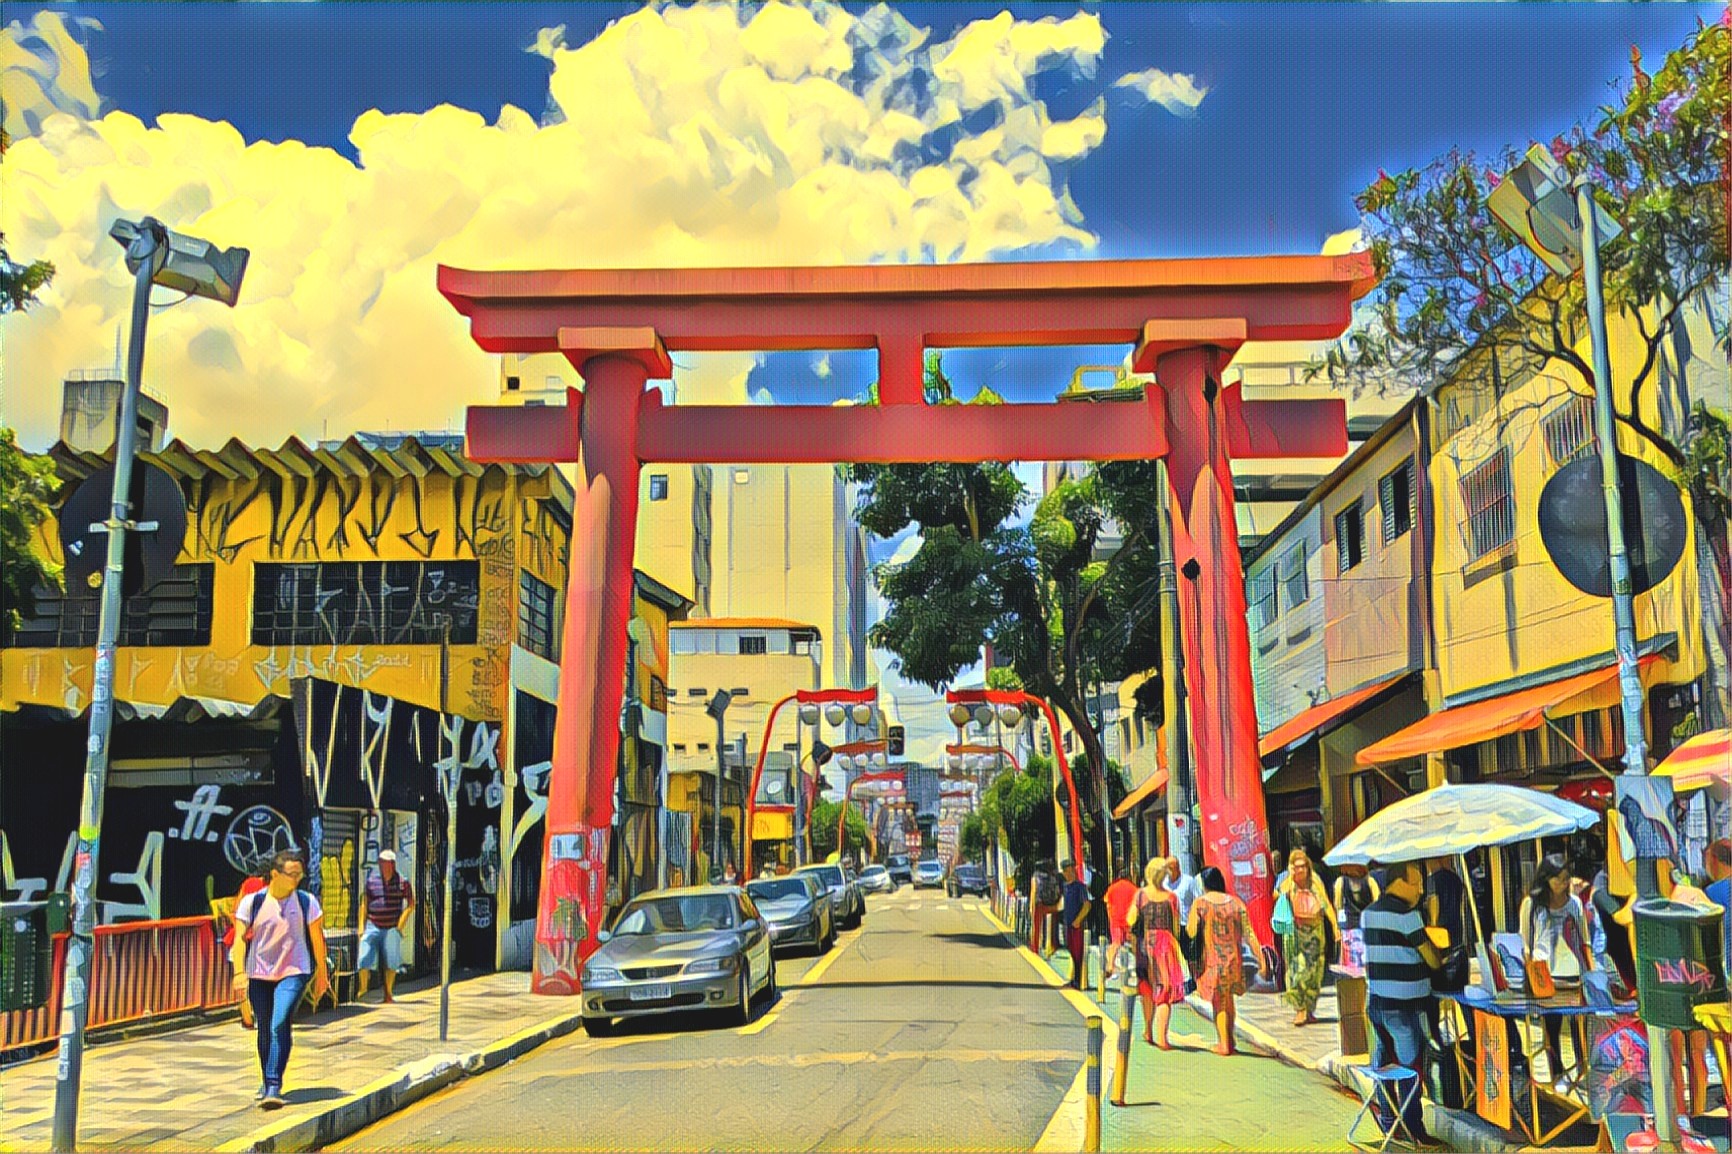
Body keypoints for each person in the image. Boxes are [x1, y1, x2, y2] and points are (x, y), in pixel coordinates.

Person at [230, 850, 329, 1109]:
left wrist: (322, 976)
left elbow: (318, 942)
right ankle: (267, 1080)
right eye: (291, 874)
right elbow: (240, 941)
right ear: (275, 874)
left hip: (294, 970)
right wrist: (239, 973)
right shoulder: (252, 902)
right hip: (259, 972)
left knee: (279, 1021)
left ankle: (273, 1084)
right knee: (265, 1027)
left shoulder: (307, 902)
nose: (297, 879)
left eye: (300, 874)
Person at [1363, 861, 1443, 1146]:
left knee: (1384, 1062)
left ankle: (1388, 1121)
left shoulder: (1368, 914)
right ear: (1400, 883)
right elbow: (1431, 958)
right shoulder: (1408, 916)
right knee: (1410, 1068)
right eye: (1417, 883)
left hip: (1376, 1002)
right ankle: (1413, 1129)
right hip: (1405, 1004)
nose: (1421, 890)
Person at [1519, 854, 1594, 1087]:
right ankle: (1557, 1075)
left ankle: (1583, 1075)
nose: (1564, 884)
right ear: (1546, 879)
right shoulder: (1531, 905)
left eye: (1566, 879)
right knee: (1550, 1029)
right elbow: (1526, 943)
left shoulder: (1574, 904)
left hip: (1573, 973)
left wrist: (1591, 972)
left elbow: (1585, 940)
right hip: (1545, 975)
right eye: (1559, 879)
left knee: (1579, 1028)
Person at [1185, 866, 1266, 1056]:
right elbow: (1249, 934)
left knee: (1218, 1001)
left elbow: (1191, 931)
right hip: (1233, 959)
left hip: (1213, 959)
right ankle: (1230, 1039)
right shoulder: (1236, 903)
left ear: (1204, 884)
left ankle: (1223, 1044)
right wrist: (1261, 959)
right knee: (1228, 1000)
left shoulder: (1200, 904)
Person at [1128, 857, 1189, 1049]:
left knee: (1146, 987)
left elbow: (1131, 920)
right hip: (1166, 946)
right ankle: (1162, 1038)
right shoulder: (1171, 898)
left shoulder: (1140, 895)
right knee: (1164, 991)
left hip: (1146, 944)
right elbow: (1176, 927)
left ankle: (1148, 1028)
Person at [1277, 848, 1336, 1027]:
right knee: (1297, 971)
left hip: (1315, 933)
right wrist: (1285, 889)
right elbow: (1276, 898)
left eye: (1303, 866)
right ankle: (1300, 1009)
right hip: (1295, 933)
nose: (1300, 870)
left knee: (1315, 972)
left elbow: (1325, 903)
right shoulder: (1287, 882)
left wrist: (1334, 926)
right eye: (1296, 867)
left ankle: (1309, 1009)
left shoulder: (1315, 881)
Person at [356, 849, 414, 1004]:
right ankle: (363, 989)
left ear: (392, 865)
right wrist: (361, 925)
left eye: (385, 863)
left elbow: (411, 904)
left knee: (392, 962)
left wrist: (400, 925)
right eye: (380, 863)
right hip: (373, 923)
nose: (382, 866)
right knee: (364, 956)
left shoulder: (403, 882)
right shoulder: (372, 881)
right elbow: (364, 903)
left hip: (391, 927)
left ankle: (388, 993)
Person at [224, 870, 268, 1030]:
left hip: (240, 937)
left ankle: (247, 1019)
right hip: (259, 940)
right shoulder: (273, 890)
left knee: (242, 980)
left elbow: (235, 910)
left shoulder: (249, 884)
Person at [1334, 862, 1379, 972]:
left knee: (1357, 965)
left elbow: (1338, 905)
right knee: (1356, 966)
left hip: (1358, 928)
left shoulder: (1369, 881)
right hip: (1354, 928)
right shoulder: (1369, 881)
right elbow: (1377, 903)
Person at [1103, 863, 1139, 982]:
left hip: (1116, 919)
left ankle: (1110, 965)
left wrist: (1110, 918)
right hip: (1129, 921)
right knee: (1135, 944)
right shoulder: (1134, 889)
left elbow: (1107, 903)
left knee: (1116, 943)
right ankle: (1139, 969)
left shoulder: (1113, 887)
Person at [1061, 862, 1093, 990]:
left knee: (1078, 952)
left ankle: (1079, 981)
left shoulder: (1080, 887)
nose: (1070, 873)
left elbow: (1087, 905)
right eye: (1067, 871)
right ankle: (1074, 978)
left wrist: (1078, 920)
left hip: (1076, 926)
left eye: (1071, 870)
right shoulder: (1064, 887)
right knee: (1071, 952)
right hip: (1067, 924)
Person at [1030, 861, 1062, 957]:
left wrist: (1031, 906)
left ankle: (1035, 948)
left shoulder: (1036, 877)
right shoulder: (1054, 876)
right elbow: (1059, 891)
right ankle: (1051, 946)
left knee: (1036, 927)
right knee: (1052, 926)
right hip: (1052, 904)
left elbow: (1034, 891)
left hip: (1039, 903)